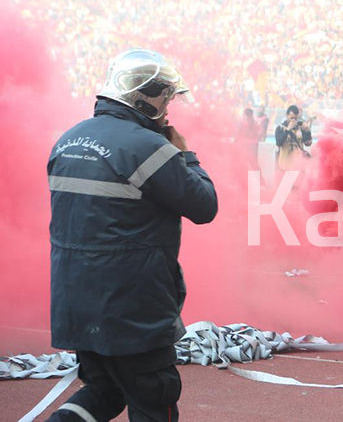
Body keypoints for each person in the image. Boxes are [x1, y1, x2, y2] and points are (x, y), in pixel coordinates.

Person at [46, 48, 218, 422]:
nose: (168, 109)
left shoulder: (68, 140)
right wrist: (185, 155)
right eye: (165, 98)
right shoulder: (149, 147)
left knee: (103, 391)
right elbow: (205, 207)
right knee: (154, 398)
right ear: (144, 98)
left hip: (75, 302)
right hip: (131, 309)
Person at [274, 104, 312, 170]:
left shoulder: (300, 127)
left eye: (295, 118)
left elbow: (307, 143)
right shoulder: (280, 128)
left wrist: (307, 131)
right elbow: (279, 143)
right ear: (287, 115)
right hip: (285, 164)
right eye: (291, 118)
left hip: (298, 164)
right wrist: (288, 129)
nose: (293, 120)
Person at [239, 108, 262, 172]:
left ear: (245, 114)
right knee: (254, 165)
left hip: (245, 145)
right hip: (254, 145)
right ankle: (261, 181)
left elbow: (239, 133)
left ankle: (244, 180)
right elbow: (259, 132)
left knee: (243, 164)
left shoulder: (243, 122)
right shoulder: (255, 122)